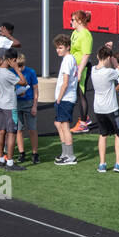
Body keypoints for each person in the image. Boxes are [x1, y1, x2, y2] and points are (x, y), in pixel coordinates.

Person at [90, 45, 119, 173]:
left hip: (98, 108)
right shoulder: (109, 72)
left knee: (103, 134)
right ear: (108, 58)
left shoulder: (92, 70)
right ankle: (118, 163)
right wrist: (115, 63)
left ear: (97, 56)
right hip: (111, 108)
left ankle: (102, 164)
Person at [0, 49, 28, 171]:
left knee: (1, 131)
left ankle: (1, 159)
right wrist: (17, 68)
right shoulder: (8, 74)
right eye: (15, 61)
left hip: (0, 105)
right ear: (12, 60)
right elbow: (23, 82)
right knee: (11, 133)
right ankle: (10, 163)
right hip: (10, 107)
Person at [51, 34, 80, 166]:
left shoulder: (68, 60)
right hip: (65, 98)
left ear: (67, 47)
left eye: (60, 47)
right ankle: (65, 154)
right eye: (57, 48)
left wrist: (59, 98)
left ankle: (70, 156)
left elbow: (66, 82)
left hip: (65, 98)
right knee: (59, 124)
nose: (58, 50)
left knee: (65, 126)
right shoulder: (69, 59)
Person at [69, 9, 94, 132]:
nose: (71, 22)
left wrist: (79, 71)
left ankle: (83, 123)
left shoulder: (85, 34)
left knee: (80, 93)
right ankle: (85, 117)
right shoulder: (75, 33)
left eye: (73, 20)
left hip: (81, 67)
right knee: (77, 93)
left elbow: (86, 54)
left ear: (79, 21)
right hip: (74, 67)